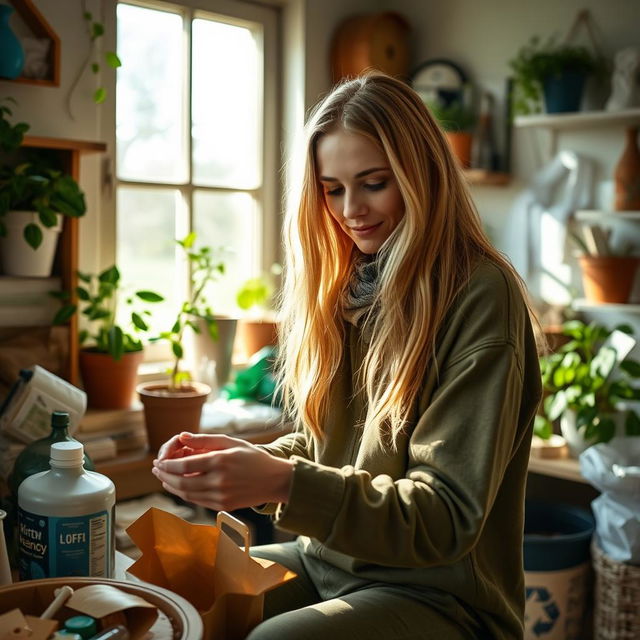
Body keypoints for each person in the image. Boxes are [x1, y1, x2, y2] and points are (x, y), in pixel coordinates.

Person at [152, 71, 542, 640]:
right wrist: (246, 461)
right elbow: (327, 451)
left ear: (421, 175)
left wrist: (284, 482)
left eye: (374, 183)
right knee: (179, 593)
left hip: (440, 595)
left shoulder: (479, 294)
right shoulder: (351, 286)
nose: (351, 210)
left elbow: (444, 519)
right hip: (329, 562)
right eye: (332, 189)